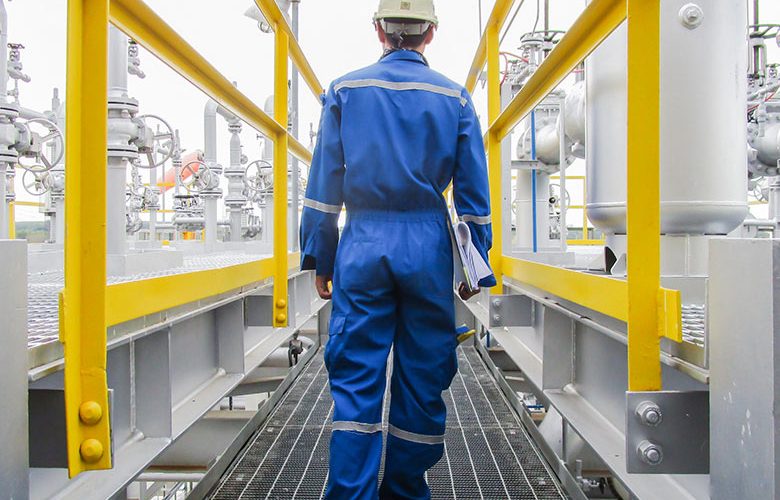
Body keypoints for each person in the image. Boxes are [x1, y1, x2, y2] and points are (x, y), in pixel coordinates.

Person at [300, 0, 495, 497]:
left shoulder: (344, 91)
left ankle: (351, 493)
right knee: (423, 375)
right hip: (428, 247)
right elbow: (473, 197)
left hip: (363, 244)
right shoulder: (454, 98)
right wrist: (475, 265)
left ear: (378, 31)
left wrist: (321, 257)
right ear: (430, 34)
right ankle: (406, 490)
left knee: (356, 380)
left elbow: (324, 188)